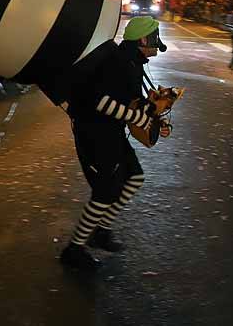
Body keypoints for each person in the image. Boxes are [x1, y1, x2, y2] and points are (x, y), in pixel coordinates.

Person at [46, 16, 173, 271]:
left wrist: (155, 117)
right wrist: (143, 120)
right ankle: (74, 249)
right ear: (143, 40)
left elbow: (131, 101)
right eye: (153, 42)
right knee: (105, 192)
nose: (154, 48)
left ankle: (100, 231)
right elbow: (101, 103)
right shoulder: (118, 63)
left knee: (134, 177)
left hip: (110, 132)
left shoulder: (132, 62)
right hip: (93, 132)